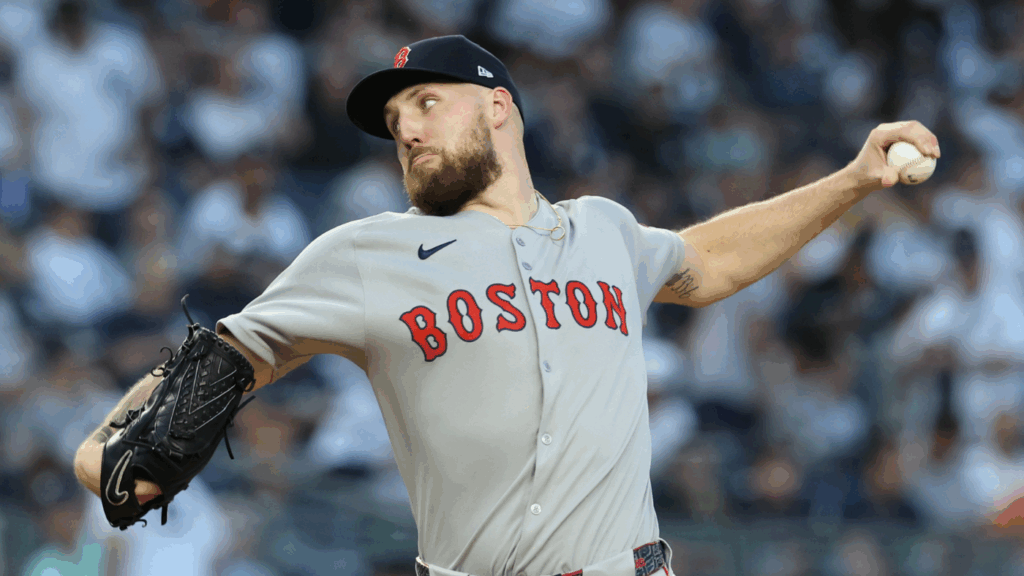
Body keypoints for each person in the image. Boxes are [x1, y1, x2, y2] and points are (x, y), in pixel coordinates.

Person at [72, 35, 940, 576]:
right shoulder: (365, 252)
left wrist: (856, 177)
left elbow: (706, 259)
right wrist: (105, 442)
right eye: (393, 118)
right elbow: (222, 355)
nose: (405, 129)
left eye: (424, 103)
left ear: (498, 108)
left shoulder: (605, 229)